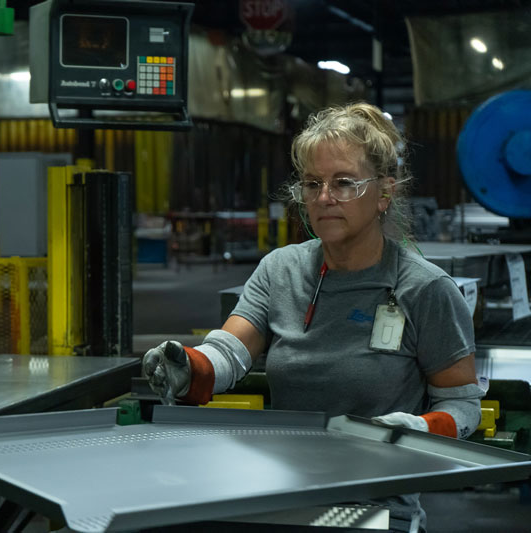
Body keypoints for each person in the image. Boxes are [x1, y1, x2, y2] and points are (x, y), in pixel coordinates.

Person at [142, 102, 485, 533]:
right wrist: (189, 367)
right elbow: (229, 351)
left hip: (377, 511)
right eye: (312, 183)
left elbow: (462, 405)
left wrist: (419, 428)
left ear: (384, 193)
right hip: (283, 499)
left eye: (343, 183)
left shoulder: (425, 290)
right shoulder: (279, 270)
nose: (324, 198)